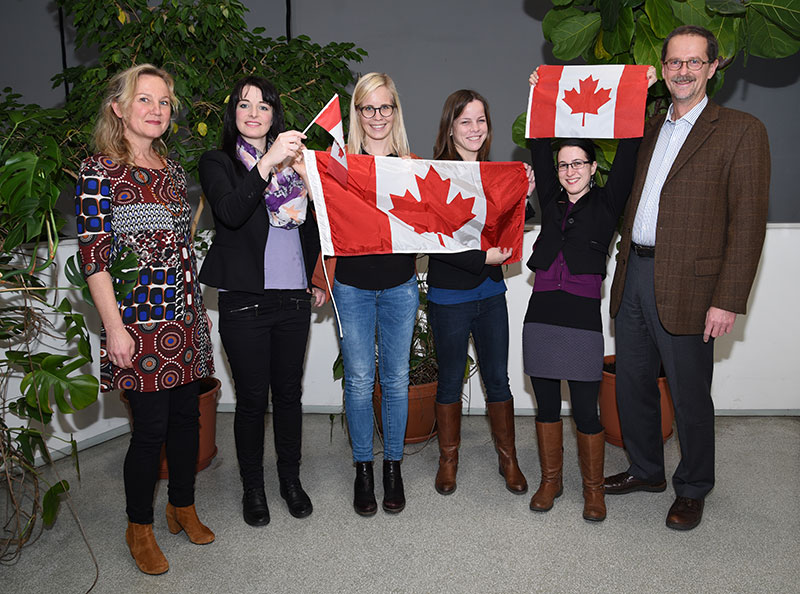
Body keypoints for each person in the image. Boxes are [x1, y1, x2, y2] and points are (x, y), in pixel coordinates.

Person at [604, 26, 770, 531]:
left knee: (690, 393)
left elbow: (747, 224)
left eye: (694, 62)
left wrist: (728, 300)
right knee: (632, 383)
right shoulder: (651, 127)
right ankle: (648, 470)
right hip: (636, 273)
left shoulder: (741, 130)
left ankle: (694, 487)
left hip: (693, 288)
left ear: (712, 68)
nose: (683, 71)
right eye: (675, 62)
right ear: (664, 68)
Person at [76, 64, 215, 575]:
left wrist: (195, 316)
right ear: (118, 108)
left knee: (187, 420)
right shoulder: (99, 171)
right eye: (145, 100)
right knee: (149, 430)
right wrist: (113, 327)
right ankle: (140, 527)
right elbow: (94, 256)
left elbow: (181, 248)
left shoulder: (175, 171)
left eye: (164, 101)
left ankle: (182, 507)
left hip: (184, 316)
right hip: (136, 324)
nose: (157, 110)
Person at [525, 66, 657, 521]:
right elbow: (538, 145)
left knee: (585, 408)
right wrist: (537, 97)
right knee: (544, 403)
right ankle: (550, 482)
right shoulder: (550, 194)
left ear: (593, 167)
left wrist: (638, 93)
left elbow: (630, 149)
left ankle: (593, 490)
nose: (569, 171)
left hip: (581, 316)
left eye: (578, 163)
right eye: (564, 165)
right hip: (540, 312)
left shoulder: (607, 200)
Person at [198, 76, 323, 527]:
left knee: (289, 396)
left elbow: (314, 226)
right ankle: (253, 486)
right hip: (244, 300)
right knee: (252, 400)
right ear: (233, 113)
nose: (253, 113)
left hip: (293, 297)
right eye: (245, 105)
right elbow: (230, 213)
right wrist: (268, 161)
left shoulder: (296, 165)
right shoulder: (218, 162)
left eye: (264, 106)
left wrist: (317, 275)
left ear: (275, 116)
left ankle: (290, 479)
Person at [427, 89, 534, 497]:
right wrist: (482, 259)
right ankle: (448, 460)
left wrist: (524, 192)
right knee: (451, 381)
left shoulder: (496, 173)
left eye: (481, 120)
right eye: (466, 121)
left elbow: (514, 226)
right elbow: (434, 240)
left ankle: (508, 458)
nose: (475, 128)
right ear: (451, 127)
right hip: (449, 296)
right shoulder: (436, 175)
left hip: (490, 295)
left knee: (498, 380)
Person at [333, 72, 418, 516]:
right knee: (360, 381)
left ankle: (393, 467)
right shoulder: (339, 166)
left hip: (401, 287)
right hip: (352, 288)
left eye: (385, 107)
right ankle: (364, 467)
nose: (377, 116)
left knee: (397, 382)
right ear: (358, 113)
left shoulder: (413, 165)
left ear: (395, 111)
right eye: (368, 108)